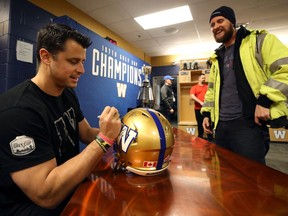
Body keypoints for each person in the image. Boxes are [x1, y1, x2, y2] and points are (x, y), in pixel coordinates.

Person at [0, 23, 122, 215]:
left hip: (68, 191)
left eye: (82, 61)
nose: (82, 69)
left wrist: (117, 131)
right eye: (74, 61)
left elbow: (86, 133)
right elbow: (46, 194)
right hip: (31, 208)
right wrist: (104, 139)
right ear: (46, 56)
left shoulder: (66, 94)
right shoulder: (19, 111)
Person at [201, 6, 288, 164]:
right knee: (224, 175)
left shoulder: (259, 41)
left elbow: (285, 70)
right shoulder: (216, 58)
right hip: (221, 127)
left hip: (248, 125)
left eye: (220, 21)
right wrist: (206, 113)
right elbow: (211, 90)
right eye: (212, 24)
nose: (215, 26)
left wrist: (265, 100)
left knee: (251, 178)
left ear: (232, 22)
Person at [190, 73, 208, 139]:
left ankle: (209, 138)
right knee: (200, 124)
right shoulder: (194, 87)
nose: (204, 79)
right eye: (202, 78)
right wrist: (200, 102)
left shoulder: (207, 86)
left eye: (204, 78)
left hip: (206, 109)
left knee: (208, 123)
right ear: (199, 79)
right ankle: (200, 137)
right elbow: (192, 96)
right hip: (198, 109)